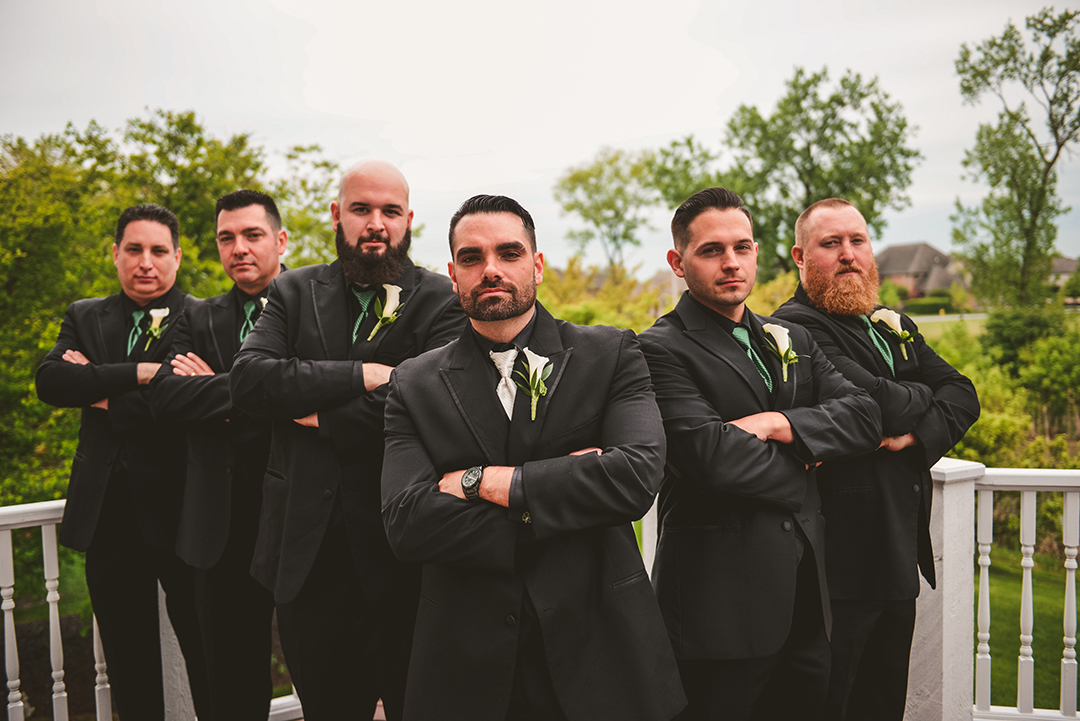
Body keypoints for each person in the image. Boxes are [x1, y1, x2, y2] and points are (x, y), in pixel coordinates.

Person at [381, 194, 686, 721]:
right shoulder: (413, 382)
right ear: (453, 274)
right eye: (472, 259)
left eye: (509, 253)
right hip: (466, 663)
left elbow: (635, 479)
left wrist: (480, 482)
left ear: (538, 266)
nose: (491, 269)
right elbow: (408, 524)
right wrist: (571, 489)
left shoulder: (610, 354)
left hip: (601, 650)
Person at [229, 160, 467, 720]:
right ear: (337, 215)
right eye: (361, 209)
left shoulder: (441, 299)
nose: (375, 224)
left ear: (409, 221)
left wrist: (317, 414)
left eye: (389, 211)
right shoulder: (291, 289)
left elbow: (436, 404)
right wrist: (364, 376)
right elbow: (250, 381)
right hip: (307, 558)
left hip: (406, 553)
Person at [637, 187, 882, 721]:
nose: (732, 263)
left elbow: (865, 416)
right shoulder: (658, 349)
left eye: (742, 247)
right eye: (711, 250)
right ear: (678, 262)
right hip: (717, 612)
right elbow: (710, 457)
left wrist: (779, 423)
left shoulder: (789, 335)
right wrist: (814, 451)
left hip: (806, 602)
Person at [772, 198, 980, 720]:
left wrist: (914, 438)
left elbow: (962, 391)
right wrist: (918, 397)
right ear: (800, 256)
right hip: (833, 565)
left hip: (896, 554)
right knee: (828, 704)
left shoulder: (893, 323)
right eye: (831, 243)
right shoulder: (794, 330)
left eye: (857, 241)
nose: (848, 254)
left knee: (883, 705)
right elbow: (875, 405)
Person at [35, 204, 210, 720]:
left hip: (184, 515)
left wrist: (101, 384)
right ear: (115, 254)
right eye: (134, 249)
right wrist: (141, 371)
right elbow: (53, 383)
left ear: (177, 257)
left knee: (206, 655)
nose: (145, 262)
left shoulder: (200, 317)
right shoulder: (85, 314)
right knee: (129, 666)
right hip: (107, 517)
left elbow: (182, 404)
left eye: (158, 251)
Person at [149, 189, 288, 720]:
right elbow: (165, 397)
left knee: (327, 674)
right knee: (228, 687)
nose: (239, 249)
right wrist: (263, 392)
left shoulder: (316, 305)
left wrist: (219, 391)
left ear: (279, 239)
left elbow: (313, 390)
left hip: (299, 517)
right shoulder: (197, 316)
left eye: (252, 235)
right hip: (219, 527)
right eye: (226, 238)